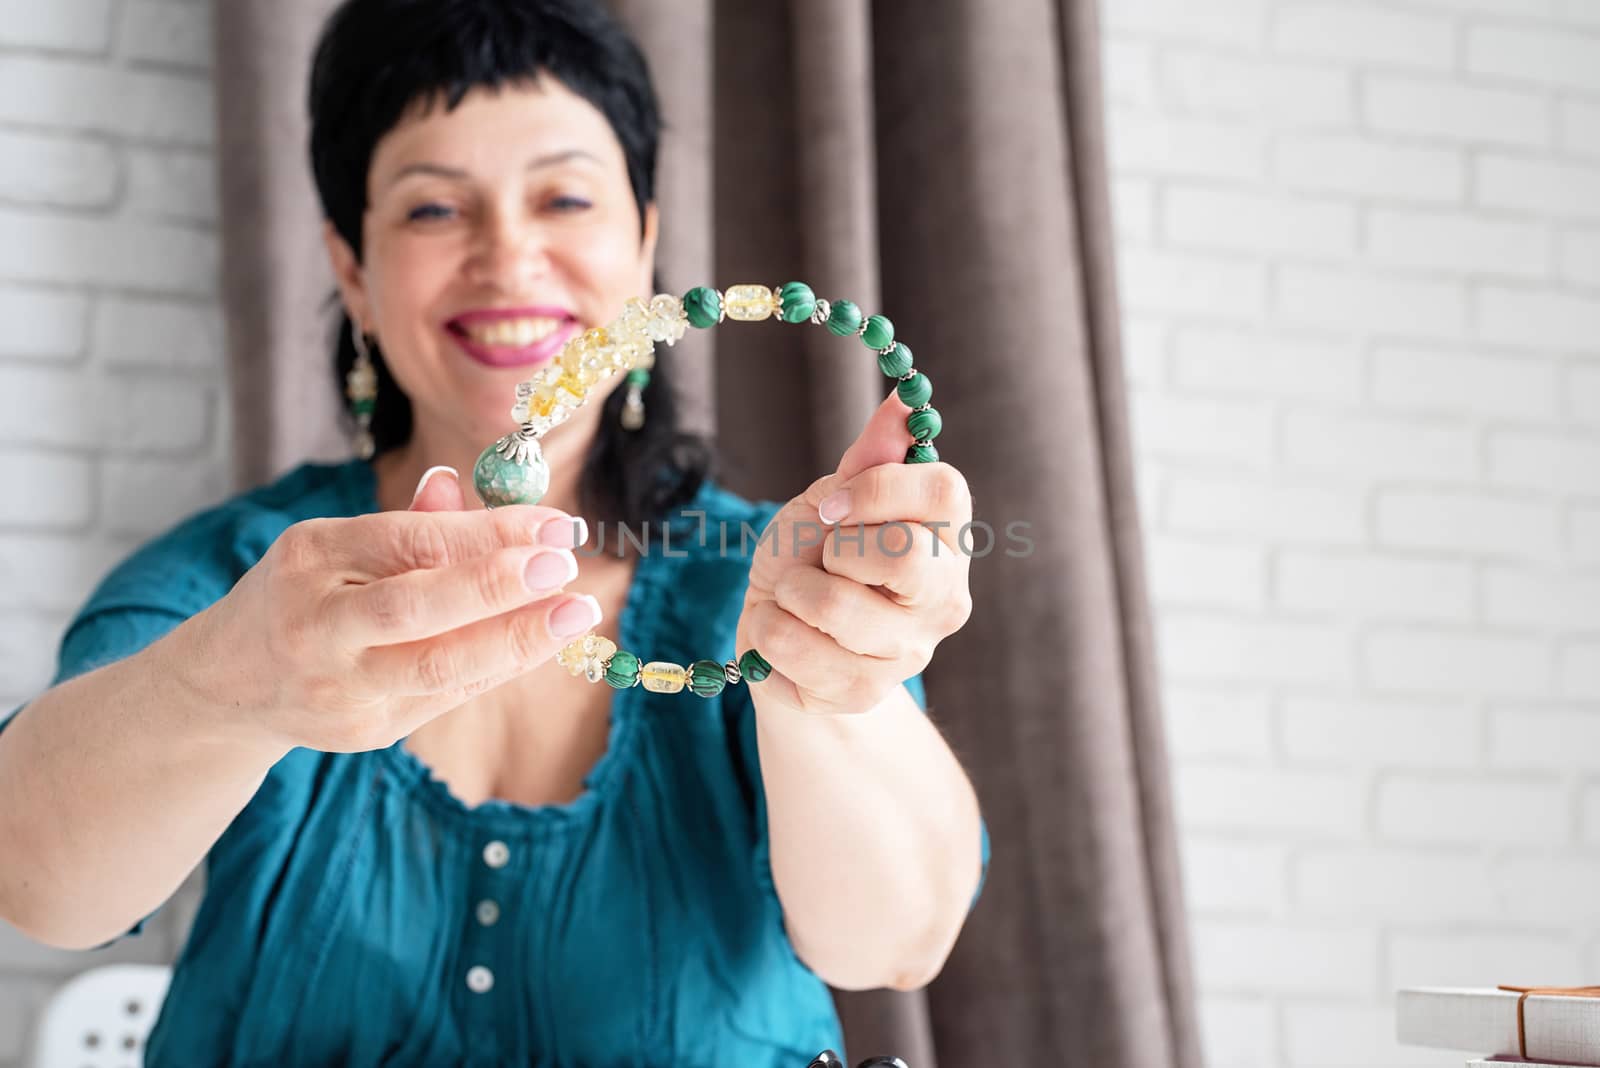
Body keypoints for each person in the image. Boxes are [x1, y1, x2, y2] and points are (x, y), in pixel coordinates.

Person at [0, 0, 988, 1063]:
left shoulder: (774, 580)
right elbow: (36, 878)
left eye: (564, 197)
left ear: (645, 245)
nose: (509, 258)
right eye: (433, 211)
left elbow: (893, 943)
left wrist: (823, 683)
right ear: (351, 271)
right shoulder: (239, 580)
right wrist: (223, 688)